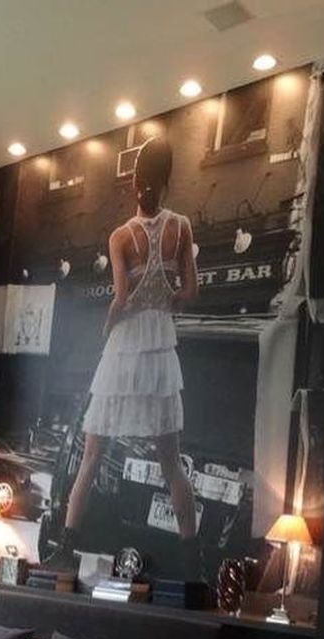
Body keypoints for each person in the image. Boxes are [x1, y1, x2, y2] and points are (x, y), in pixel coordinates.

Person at [43, 135, 203, 579]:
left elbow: (119, 299)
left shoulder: (120, 236)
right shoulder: (181, 227)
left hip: (124, 344)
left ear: (134, 181)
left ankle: (65, 550)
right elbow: (190, 291)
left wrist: (107, 327)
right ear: (168, 180)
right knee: (171, 462)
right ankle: (194, 564)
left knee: (91, 454)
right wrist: (166, 301)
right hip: (160, 344)